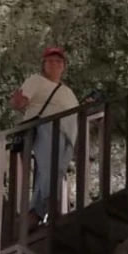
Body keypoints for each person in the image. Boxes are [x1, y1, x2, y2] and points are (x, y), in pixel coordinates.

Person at [9, 46, 79, 227]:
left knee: (56, 171)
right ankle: (51, 208)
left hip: (68, 135)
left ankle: (34, 213)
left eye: (58, 61)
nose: (55, 64)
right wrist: (17, 101)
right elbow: (19, 102)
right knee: (49, 169)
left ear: (63, 66)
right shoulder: (36, 80)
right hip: (47, 128)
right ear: (44, 64)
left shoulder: (68, 92)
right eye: (50, 61)